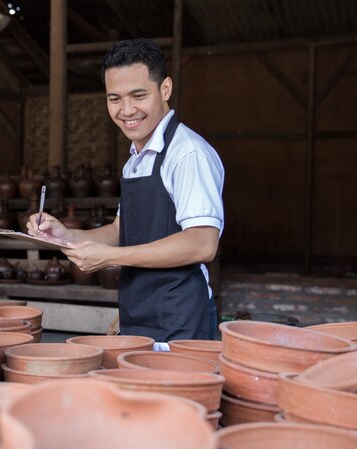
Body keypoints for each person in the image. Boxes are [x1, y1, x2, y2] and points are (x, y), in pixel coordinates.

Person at [27, 38, 224, 344]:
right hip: (140, 313)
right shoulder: (135, 159)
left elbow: (202, 243)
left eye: (138, 95)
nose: (126, 110)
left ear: (165, 89)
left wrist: (111, 257)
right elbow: (123, 229)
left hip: (179, 320)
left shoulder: (187, 154)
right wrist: (67, 235)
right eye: (114, 98)